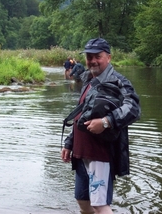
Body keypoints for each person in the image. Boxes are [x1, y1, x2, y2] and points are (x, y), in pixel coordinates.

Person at [61, 38, 141, 214]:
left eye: (98, 56)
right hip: (81, 152)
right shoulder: (88, 80)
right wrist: (69, 143)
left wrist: (106, 122)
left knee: (99, 205)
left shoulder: (119, 82)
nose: (93, 61)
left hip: (101, 154)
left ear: (109, 58)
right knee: (82, 201)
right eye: (90, 57)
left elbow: (134, 108)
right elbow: (80, 114)